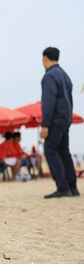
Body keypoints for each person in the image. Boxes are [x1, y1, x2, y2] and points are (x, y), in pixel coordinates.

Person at [40, 47, 78, 198]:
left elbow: (49, 102)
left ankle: (62, 187)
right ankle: (72, 187)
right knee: (64, 151)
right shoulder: (65, 75)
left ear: (45, 59)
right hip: (66, 118)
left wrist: (45, 124)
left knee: (50, 149)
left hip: (55, 119)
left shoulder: (49, 76)